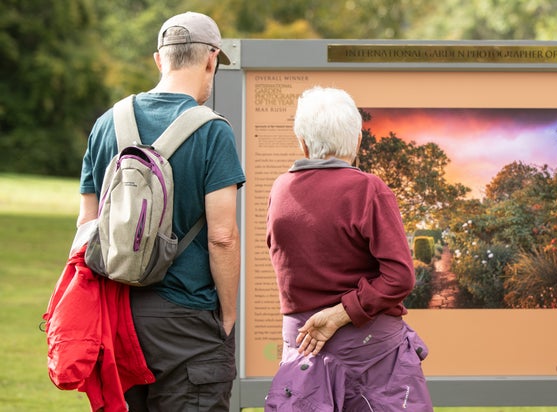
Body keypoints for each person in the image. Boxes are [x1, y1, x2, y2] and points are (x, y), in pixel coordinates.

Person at [77, 11, 245, 411]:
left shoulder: (107, 123)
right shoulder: (212, 130)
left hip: (116, 317)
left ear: (159, 59)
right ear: (211, 59)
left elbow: (86, 226)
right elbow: (223, 236)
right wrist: (228, 316)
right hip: (187, 321)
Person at [265, 86, 433, 411]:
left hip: (305, 350)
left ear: (301, 142)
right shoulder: (368, 189)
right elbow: (400, 278)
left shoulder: (280, 188)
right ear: (357, 141)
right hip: (372, 358)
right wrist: (342, 313)